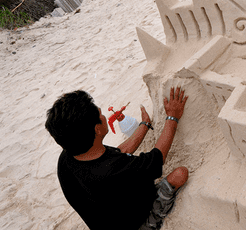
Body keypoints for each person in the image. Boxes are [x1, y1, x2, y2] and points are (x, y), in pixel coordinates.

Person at [45, 87, 189, 230]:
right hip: (135, 223)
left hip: (108, 219)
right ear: (97, 129)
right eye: (101, 114)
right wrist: (172, 116)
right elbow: (157, 158)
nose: (104, 117)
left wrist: (144, 125)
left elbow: (118, 152)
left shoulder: (68, 156)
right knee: (180, 174)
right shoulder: (115, 170)